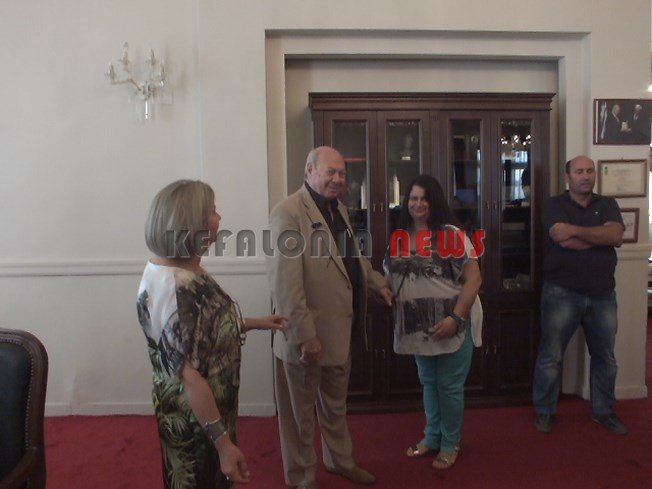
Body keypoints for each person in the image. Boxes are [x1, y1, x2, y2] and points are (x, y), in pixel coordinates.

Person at [136, 180, 287, 488]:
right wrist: (224, 445)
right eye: (212, 211)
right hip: (196, 423)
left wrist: (253, 322)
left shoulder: (181, 268)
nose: (219, 218)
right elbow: (190, 376)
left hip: (208, 412)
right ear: (192, 222)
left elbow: (202, 330)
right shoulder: (177, 288)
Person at [266, 146, 393, 489]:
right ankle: (302, 478)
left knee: (335, 408)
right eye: (330, 172)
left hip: (340, 332)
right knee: (300, 417)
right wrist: (305, 336)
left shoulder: (339, 209)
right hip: (306, 340)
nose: (337, 179)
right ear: (309, 171)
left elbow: (352, 260)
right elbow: (285, 284)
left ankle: (340, 461)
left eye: (341, 173)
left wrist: (377, 284)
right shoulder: (287, 213)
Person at [384, 174, 482, 470]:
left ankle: (450, 443)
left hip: (453, 325)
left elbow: (474, 279)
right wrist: (383, 290)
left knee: (449, 386)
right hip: (417, 327)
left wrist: (456, 318)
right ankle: (432, 437)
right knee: (428, 382)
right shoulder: (399, 236)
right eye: (413, 198)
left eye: (424, 198)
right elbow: (391, 276)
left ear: (435, 201)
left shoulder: (452, 235)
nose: (418, 204)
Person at [532, 156, 627, 435]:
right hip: (561, 292)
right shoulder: (554, 205)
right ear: (567, 177)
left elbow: (616, 237)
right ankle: (545, 411)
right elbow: (561, 238)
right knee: (550, 356)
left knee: (605, 358)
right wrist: (599, 236)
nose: (585, 176)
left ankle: (603, 411)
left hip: (602, 294)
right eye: (579, 171)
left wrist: (575, 231)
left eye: (589, 171)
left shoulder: (607, 204)